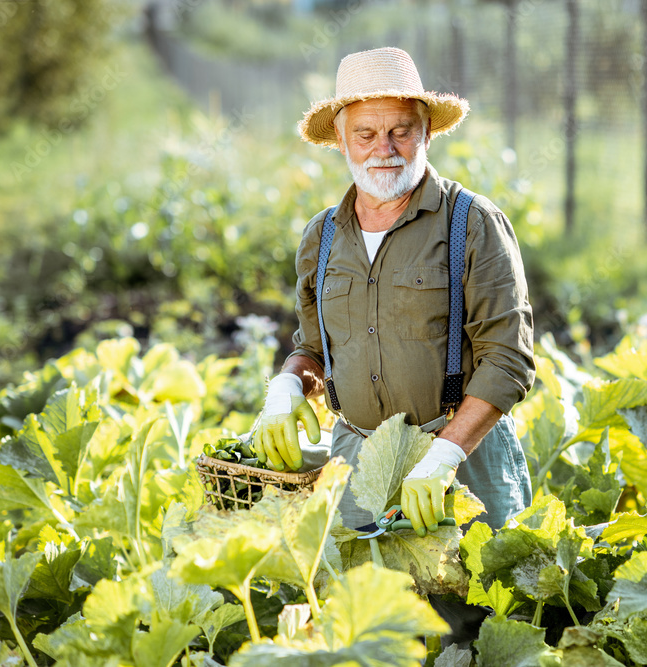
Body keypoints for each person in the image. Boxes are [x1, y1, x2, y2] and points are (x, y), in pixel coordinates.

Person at [252, 46, 535, 646]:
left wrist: (444, 458)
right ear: (342, 140)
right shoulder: (322, 237)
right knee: (376, 632)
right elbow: (314, 348)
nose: (385, 148)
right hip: (359, 467)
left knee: (473, 631)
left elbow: (508, 359)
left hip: (462, 468)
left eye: (401, 130)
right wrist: (286, 386)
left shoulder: (472, 222)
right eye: (367, 133)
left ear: (426, 131)